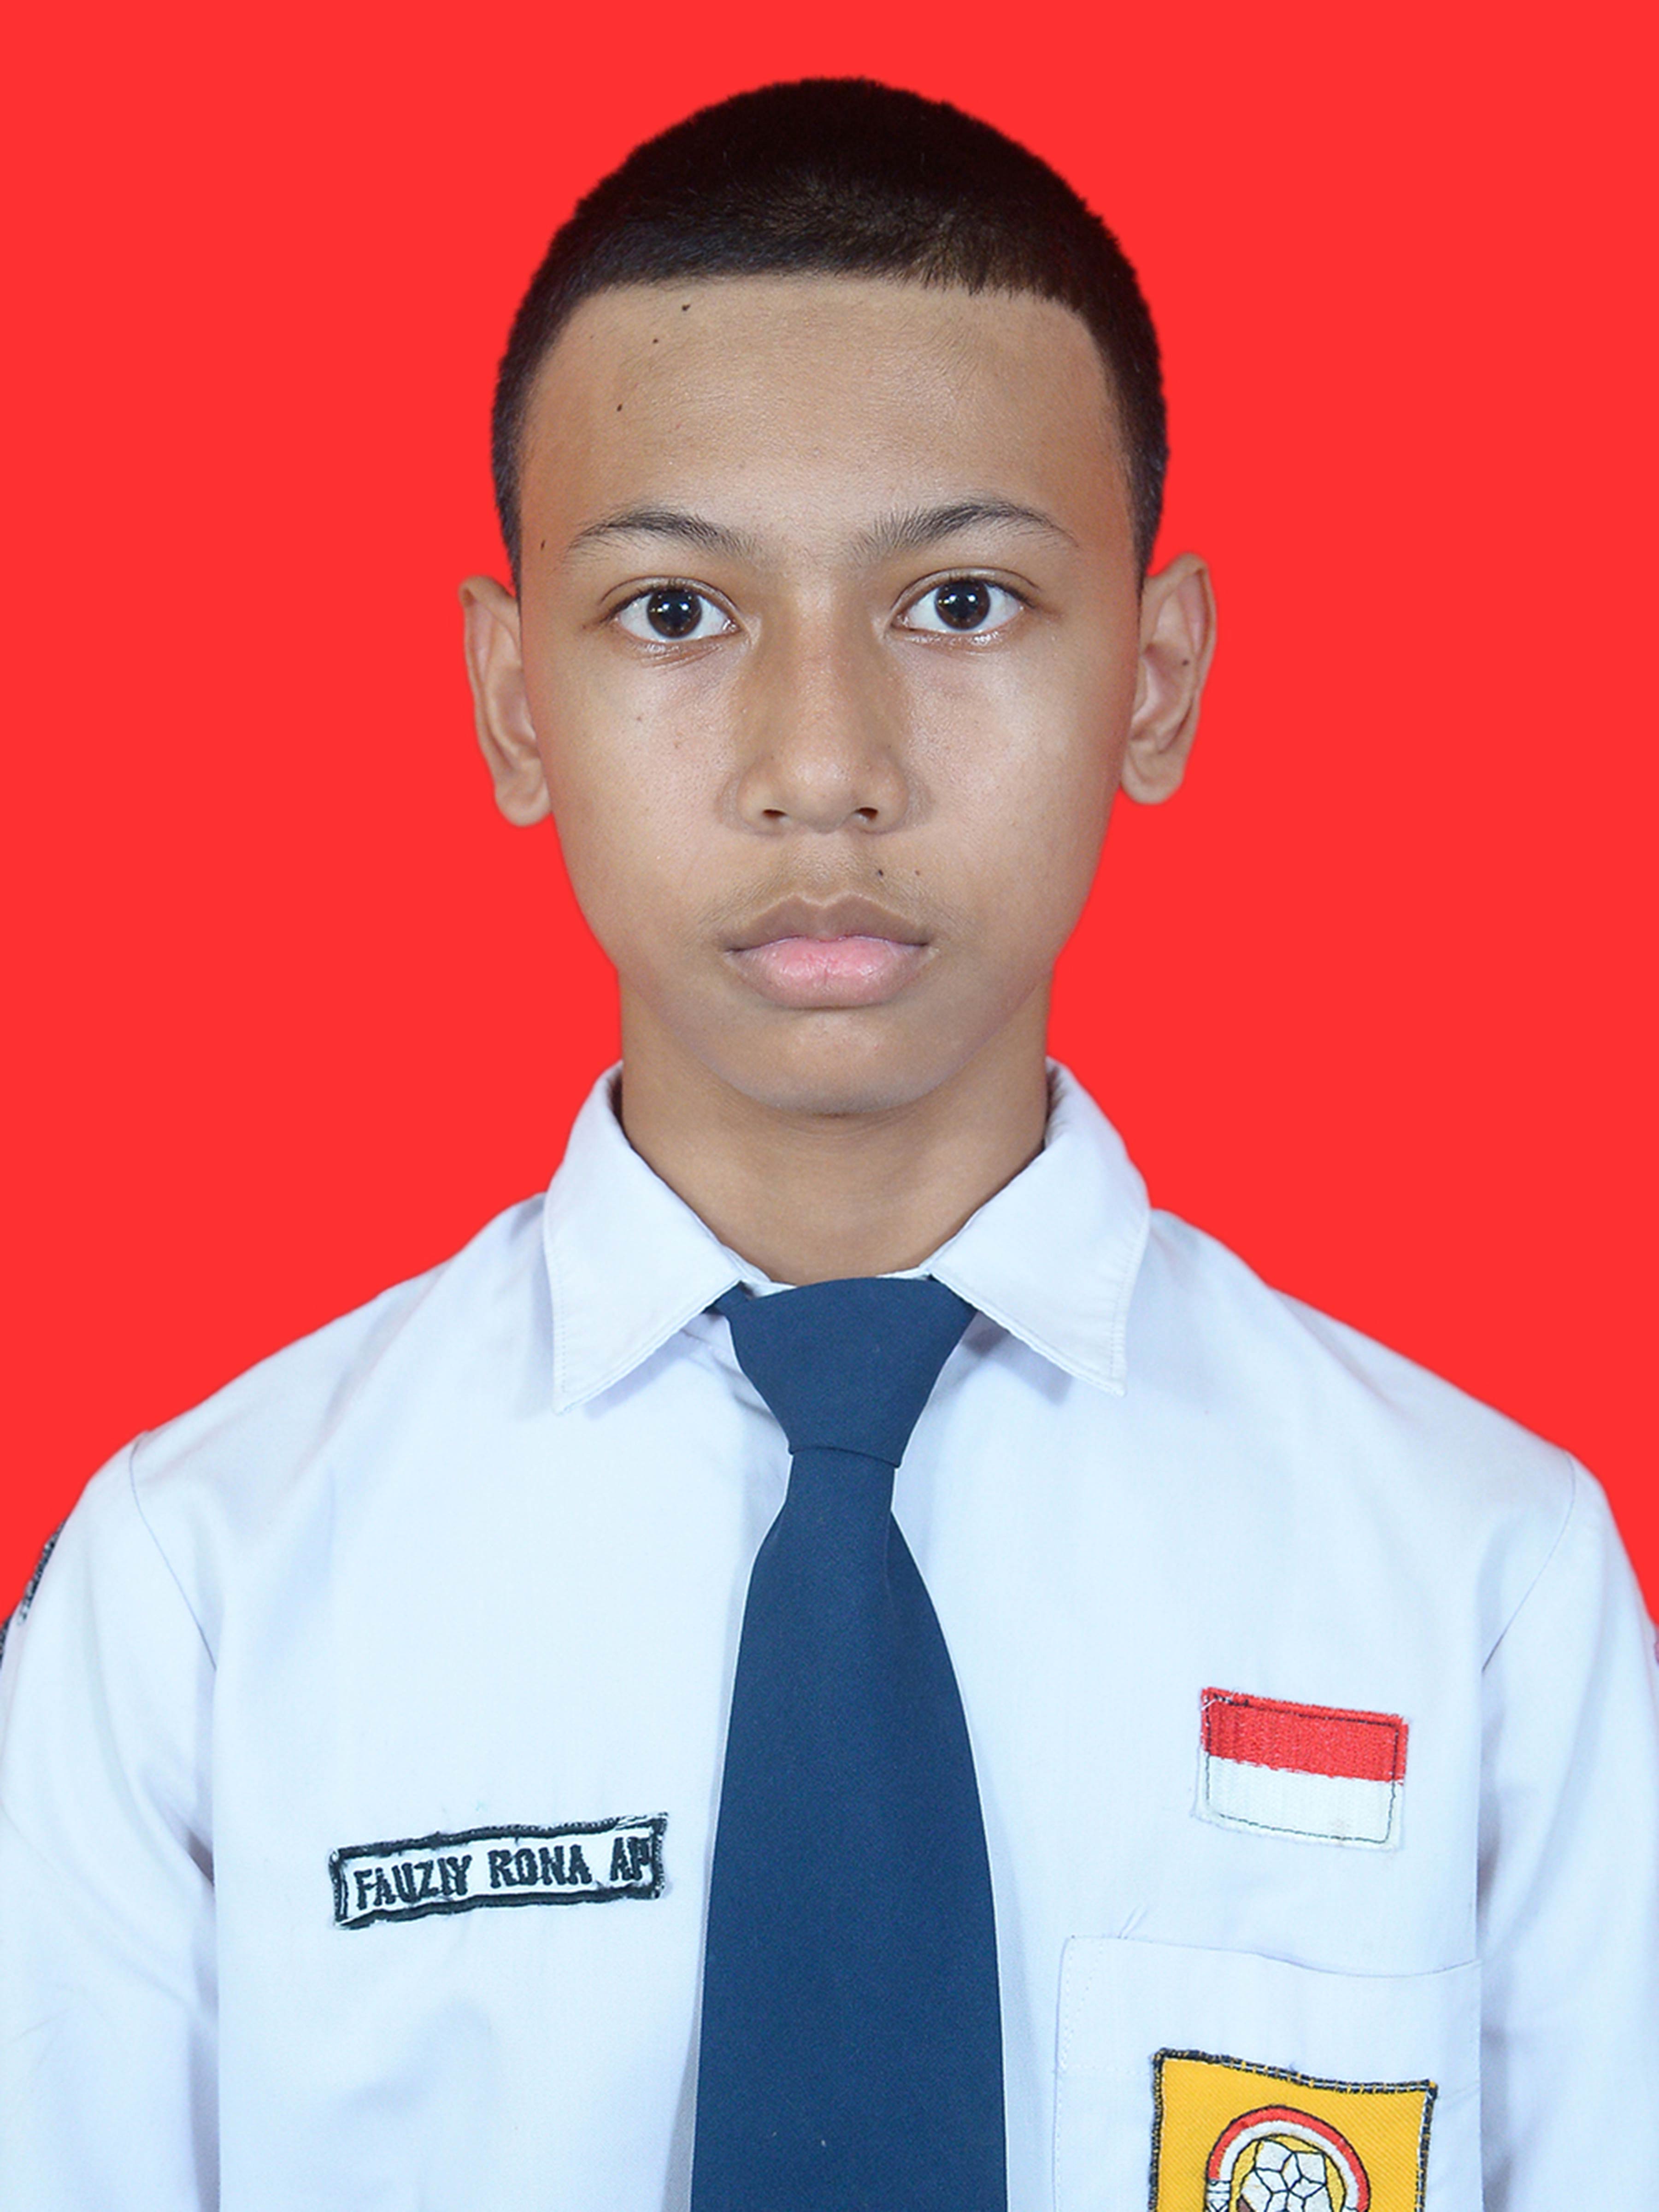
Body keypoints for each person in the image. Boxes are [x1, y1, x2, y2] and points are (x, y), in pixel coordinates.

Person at [1, 75, 1653, 2212]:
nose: (821, 762)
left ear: (1156, 678)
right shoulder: (196, 1603)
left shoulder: (1487, 1591)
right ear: (513, 699)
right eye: (675, 613)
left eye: (959, 602)